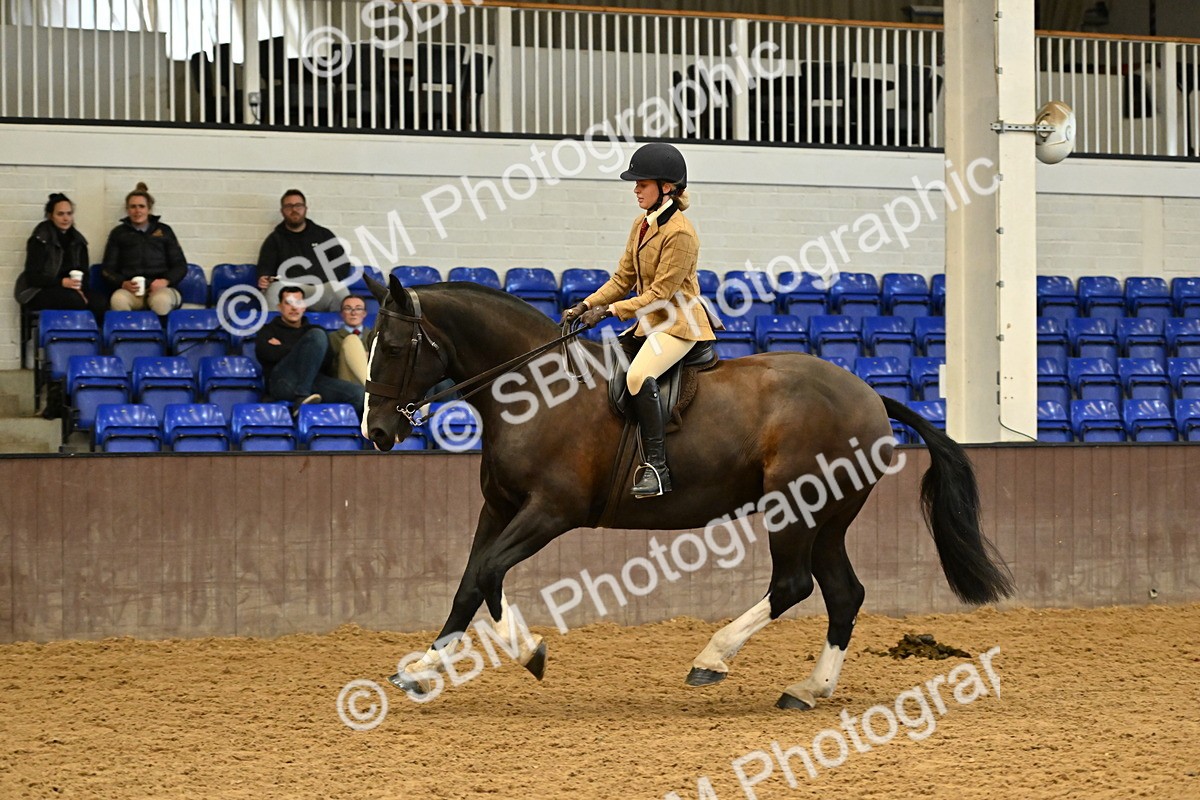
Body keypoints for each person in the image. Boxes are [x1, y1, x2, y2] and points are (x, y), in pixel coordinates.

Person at [562, 142, 717, 499]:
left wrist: (612, 311)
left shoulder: (680, 233)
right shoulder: (641, 225)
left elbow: (661, 295)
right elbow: (622, 279)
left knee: (637, 375)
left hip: (678, 322)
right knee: (605, 365)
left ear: (666, 187)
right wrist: (584, 304)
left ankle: (658, 469)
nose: (635, 189)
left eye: (642, 183)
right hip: (650, 321)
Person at [257, 285, 365, 416]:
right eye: (288, 303)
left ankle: (328, 430)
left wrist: (284, 347)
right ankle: (302, 396)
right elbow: (266, 353)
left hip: (312, 382)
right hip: (283, 382)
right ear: (280, 307)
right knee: (317, 336)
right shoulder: (268, 330)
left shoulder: (314, 330)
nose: (294, 307)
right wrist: (307, 349)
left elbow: (326, 361)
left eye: (298, 303)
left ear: (304, 306)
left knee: (359, 394)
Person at [16, 192, 107, 323]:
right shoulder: (39, 240)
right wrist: (62, 283)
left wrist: (80, 289)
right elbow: (33, 277)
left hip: (72, 289)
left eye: (69, 214)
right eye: (60, 214)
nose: (66, 218)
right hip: (39, 290)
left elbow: (85, 274)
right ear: (50, 216)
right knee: (74, 300)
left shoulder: (79, 241)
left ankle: (92, 340)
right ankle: (67, 339)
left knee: (100, 302)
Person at [256, 189, 353, 312]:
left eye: (298, 205)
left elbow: (342, 264)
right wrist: (263, 277)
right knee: (273, 290)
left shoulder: (323, 235)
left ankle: (343, 332)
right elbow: (265, 267)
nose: (294, 209)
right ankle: (275, 330)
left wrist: (324, 278)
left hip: (319, 289)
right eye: (289, 206)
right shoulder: (275, 239)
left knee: (339, 289)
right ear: (282, 211)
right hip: (289, 292)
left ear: (305, 208)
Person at [101, 182, 187, 315]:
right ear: (127, 209)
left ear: (149, 209)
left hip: (161, 289)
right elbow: (107, 269)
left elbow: (180, 266)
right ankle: (126, 336)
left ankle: (160, 335)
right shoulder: (118, 233)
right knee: (118, 300)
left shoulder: (165, 231)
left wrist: (165, 281)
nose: (137, 211)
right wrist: (122, 283)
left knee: (161, 301)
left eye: (141, 206)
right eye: (133, 207)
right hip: (131, 291)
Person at [326, 295, 373, 384]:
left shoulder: (376, 336)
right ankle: (369, 390)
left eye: (358, 309)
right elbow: (330, 369)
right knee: (352, 340)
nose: (353, 313)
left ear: (364, 313)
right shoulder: (331, 338)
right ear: (342, 313)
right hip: (347, 382)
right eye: (348, 308)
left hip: (373, 378)